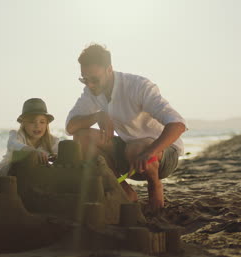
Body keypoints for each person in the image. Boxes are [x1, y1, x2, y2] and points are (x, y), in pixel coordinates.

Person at [65, 44, 187, 211]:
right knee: (82, 137)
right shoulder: (91, 91)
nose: (90, 85)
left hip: (161, 155)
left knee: (136, 147)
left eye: (94, 79)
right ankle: (124, 191)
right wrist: (98, 116)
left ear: (109, 70)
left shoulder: (138, 86)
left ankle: (155, 187)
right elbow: (71, 127)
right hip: (129, 154)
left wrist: (149, 152)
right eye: (84, 80)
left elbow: (178, 125)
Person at [0, 98, 59, 176]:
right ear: (23, 123)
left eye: (42, 122)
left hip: (30, 177)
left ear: (46, 124)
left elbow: (60, 152)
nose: (37, 125)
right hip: (5, 175)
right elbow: (13, 144)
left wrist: (57, 156)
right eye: (32, 122)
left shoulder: (52, 140)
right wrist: (33, 152)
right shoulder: (16, 136)